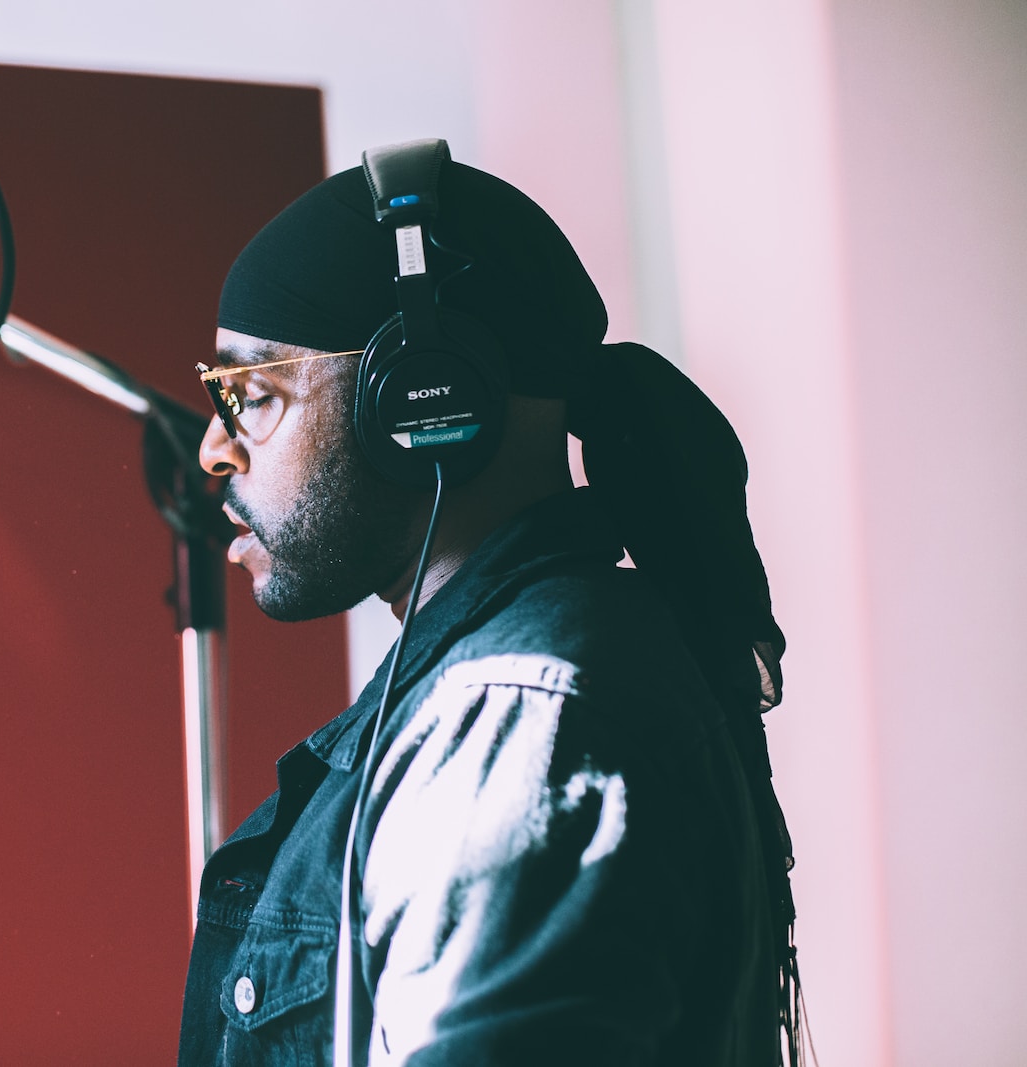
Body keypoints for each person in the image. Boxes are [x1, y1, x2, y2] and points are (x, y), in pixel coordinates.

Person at [178, 141, 801, 1067]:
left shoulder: (522, 718)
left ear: (422, 396)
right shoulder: (488, 703)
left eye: (253, 395)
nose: (213, 452)